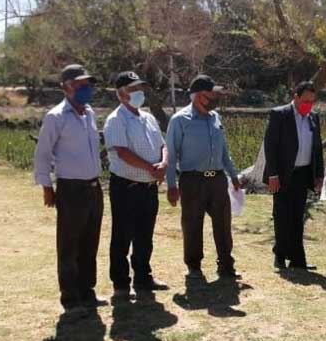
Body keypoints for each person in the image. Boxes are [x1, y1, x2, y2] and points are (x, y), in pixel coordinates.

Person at [34, 65, 106, 311]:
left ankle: (88, 290)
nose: (87, 88)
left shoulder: (90, 114)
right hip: (71, 189)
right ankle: (70, 296)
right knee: (69, 245)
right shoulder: (56, 117)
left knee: (90, 242)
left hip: (94, 188)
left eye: (88, 84)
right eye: (81, 84)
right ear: (66, 87)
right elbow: (43, 153)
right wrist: (46, 186)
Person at [165, 75, 242, 280]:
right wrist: (171, 185)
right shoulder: (180, 120)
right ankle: (194, 267)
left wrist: (233, 176)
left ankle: (226, 264)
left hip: (217, 179)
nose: (216, 97)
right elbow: (171, 156)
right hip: (192, 181)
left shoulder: (216, 118)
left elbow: (224, 152)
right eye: (212, 93)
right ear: (199, 96)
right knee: (192, 223)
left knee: (223, 223)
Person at [103, 71, 169, 299]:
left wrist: (163, 163)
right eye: (132, 89)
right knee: (122, 236)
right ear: (120, 94)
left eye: (139, 88)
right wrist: (151, 168)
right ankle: (121, 284)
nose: (138, 93)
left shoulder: (148, 118)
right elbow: (122, 152)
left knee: (144, 235)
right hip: (126, 187)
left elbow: (163, 144)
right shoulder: (116, 120)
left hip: (148, 188)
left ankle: (143, 277)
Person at [264, 81, 324, 271]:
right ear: (295, 97)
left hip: (303, 173)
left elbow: (317, 148)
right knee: (282, 216)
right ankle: (280, 256)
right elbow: (270, 146)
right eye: (306, 100)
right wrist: (272, 174)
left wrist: (319, 175)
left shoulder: (313, 117)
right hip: (282, 175)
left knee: (298, 217)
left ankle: (298, 259)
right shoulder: (280, 114)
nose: (309, 105)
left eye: (312, 102)